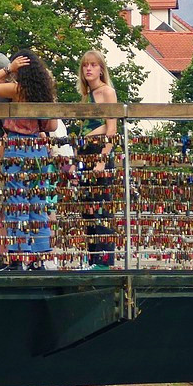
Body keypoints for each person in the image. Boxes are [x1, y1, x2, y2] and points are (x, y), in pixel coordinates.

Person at [0, 50, 59, 267]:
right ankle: (38, 258)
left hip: (17, 147)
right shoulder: (44, 94)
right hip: (38, 150)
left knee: (17, 203)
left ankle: (17, 256)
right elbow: (52, 125)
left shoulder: (17, 89)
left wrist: (8, 68)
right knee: (38, 205)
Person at [74, 49, 118, 268]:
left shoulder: (107, 92)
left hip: (99, 152)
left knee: (101, 207)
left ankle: (104, 259)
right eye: (85, 65)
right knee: (88, 208)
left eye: (93, 65)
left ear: (101, 68)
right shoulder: (85, 96)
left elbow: (111, 129)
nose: (89, 68)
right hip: (85, 153)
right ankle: (92, 257)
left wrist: (102, 159)